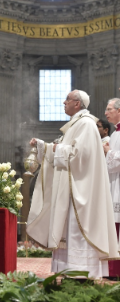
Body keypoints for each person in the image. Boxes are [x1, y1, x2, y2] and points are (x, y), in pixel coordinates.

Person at [27, 89, 119, 279]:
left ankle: (81, 272)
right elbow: (66, 150)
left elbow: (79, 155)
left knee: (77, 230)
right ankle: (70, 271)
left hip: (80, 190)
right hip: (72, 187)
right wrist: (45, 146)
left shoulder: (85, 124)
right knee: (68, 231)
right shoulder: (76, 124)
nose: (63, 102)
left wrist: (53, 147)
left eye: (67, 99)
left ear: (77, 104)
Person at [104, 98, 120, 278]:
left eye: (109, 109)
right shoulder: (115, 133)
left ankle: (116, 270)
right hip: (114, 183)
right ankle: (112, 270)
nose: (106, 113)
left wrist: (108, 152)